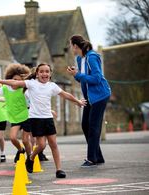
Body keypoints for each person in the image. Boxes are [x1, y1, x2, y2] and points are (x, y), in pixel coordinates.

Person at [0, 63, 86, 178]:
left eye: (47, 71)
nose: (44, 73)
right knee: (41, 145)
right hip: (35, 118)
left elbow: (65, 94)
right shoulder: (31, 84)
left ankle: (59, 170)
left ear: (50, 74)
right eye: (42, 71)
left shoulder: (52, 86)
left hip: (48, 118)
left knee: (53, 144)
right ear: (37, 74)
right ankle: (31, 157)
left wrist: (77, 101)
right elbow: (14, 83)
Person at [67, 34, 111, 168]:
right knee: (85, 125)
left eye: (71, 46)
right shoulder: (79, 59)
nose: (71, 49)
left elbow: (97, 78)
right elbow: (83, 79)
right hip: (88, 98)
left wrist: (78, 75)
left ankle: (92, 159)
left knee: (93, 127)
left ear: (75, 46)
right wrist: (76, 75)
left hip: (99, 96)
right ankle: (98, 157)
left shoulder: (92, 57)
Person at [0, 64, 32, 167]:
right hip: (14, 117)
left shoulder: (25, 89)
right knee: (13, 138)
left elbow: (35, 100)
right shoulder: (6, 88)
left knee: (26, 140)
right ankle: (20, 150)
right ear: (9, 78)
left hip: (26, 116)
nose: (15, 82)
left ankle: (29, 158)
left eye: (18, 80)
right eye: (14, 79)